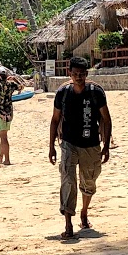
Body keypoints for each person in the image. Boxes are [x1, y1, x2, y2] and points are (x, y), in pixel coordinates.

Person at [48, 56, 111, 239]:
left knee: (89, 182)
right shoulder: (63, 93)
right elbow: (54, 120)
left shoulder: (96, 92)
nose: (78, 77)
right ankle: (68, 223)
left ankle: (84, 212)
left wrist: (106, 146)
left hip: (91, 144)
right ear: (70, 74)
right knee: (67, 179)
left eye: (81, 74)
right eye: (75, 74)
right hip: (68, 143)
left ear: (86, 74)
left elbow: (106, 119)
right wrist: (51, 146)